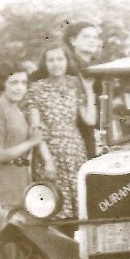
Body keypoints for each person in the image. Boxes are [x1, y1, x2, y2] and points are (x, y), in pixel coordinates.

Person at [26, 43, 97, 219]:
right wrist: (48, 160)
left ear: (67, 61)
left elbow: (90, 120)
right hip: (49, 154)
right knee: (54, 208)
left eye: (60, 59)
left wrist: (89, 91)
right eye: (51, 60)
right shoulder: (36, 88)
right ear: (45, 64)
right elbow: (35, 129)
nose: (56, 63)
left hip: (75, 152)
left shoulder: (74, 85)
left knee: (79, 210)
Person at [0, 61, 42, 207]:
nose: (20, 87)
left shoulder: (18, 110)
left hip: (21, 179)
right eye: (14, 82)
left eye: (23, 83)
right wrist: (31, 142)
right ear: (3, 84)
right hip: (2, 181)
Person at [59, 21, 102, 158]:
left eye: (95, 37)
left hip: (93, 131)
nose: (91, 41)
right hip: (75, 133)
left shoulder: (95, 68)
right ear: (73, 41)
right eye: (86, 37)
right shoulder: (68, 69)